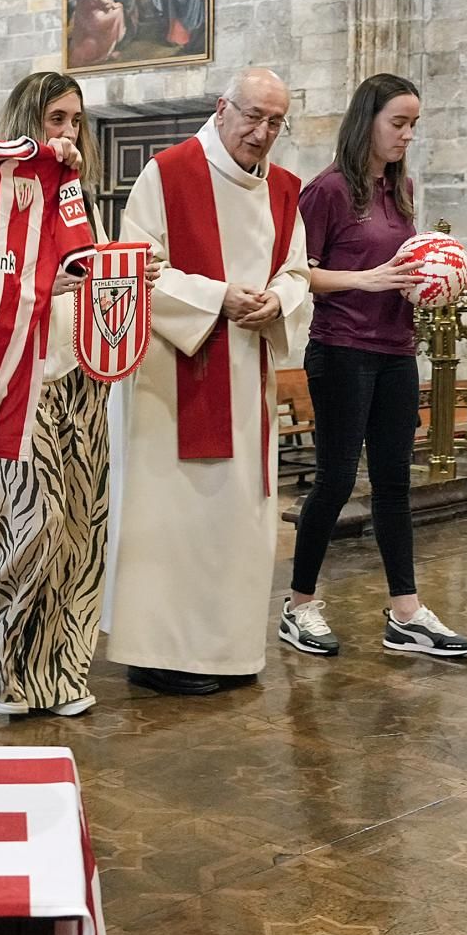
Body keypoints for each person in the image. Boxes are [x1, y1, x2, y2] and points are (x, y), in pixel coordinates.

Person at [0, 71, 154, 719]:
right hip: (12, 378)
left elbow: (87, 278)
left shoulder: (78, 200)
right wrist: (51, 286)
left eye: (74, 121)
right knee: (23, 529)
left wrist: (129, 270)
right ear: (26, 124)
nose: (66, 134)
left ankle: (60, 669)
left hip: (79, 375)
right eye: (54, 120)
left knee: (77, 531)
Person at [103, 68, 311, 696]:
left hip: (248, 373)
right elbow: (134, 269)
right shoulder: (167, 173)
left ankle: (228, 651)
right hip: (175, 374)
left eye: (275, 121)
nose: (262, 132)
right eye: (252, 115)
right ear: (223, 108)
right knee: (174, 518)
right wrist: (216, 297)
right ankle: (161, 655)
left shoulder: (284, 190)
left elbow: (298, 271)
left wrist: (276, 301)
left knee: (238, 519)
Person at [284, 74, 467, 660]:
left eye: (414, 124)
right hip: (341, 348)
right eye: (399, 123)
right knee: (336, 481)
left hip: (395, 351)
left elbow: (404, 265)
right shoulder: (328, 191)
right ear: (366, 119)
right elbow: (297, 272)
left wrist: (438, 277)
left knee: (394, 483)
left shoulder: (401, 188)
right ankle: (298, 606)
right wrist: (365, 279)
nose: (407, 135)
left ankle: (406, 613)